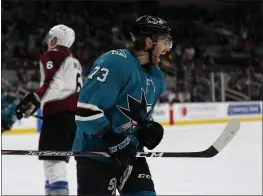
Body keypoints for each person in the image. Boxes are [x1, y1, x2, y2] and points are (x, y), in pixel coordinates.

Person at [73, 15, 172, 196]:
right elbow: (85, 112)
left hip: (130, 153)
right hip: (97, 155)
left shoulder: (157, 77)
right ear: (149, 43)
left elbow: (138, 116)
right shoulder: (114, 62)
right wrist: (112, 138)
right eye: (165, 42)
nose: (167, 48)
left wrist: (147, 130)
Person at [16, 24, 82, 195]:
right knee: (50, 163)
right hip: (71, 119)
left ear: (56, 39)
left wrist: (34, 99)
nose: (47, 42)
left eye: (50, 38)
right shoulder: (74, 61)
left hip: (58, 117)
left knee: (53, 162)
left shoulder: (53, 54)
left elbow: (54, 83)